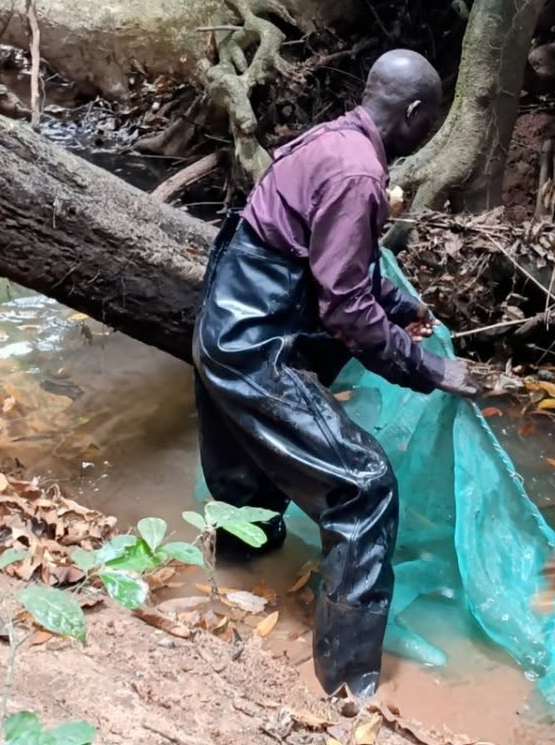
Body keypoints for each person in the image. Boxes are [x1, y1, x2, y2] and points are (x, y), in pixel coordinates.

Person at [192, 50, 477, 700]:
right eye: (432, 119)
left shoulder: (330, 140)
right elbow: (344, 307)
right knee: (364, 488)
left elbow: (332, 259)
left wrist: (401, 306)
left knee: (249, 486)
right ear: (414, 113)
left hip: (222, 330)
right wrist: (426, 368)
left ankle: (229, 598)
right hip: (255, 349)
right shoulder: (359, 173)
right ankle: (349, 686)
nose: (430, 130)